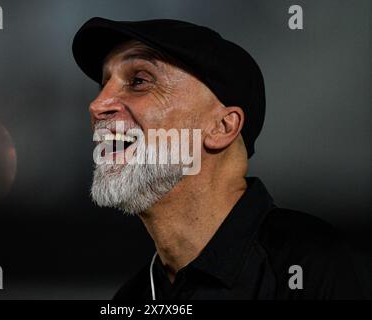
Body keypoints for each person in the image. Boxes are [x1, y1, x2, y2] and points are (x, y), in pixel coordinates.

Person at [72, 17, 367, 299]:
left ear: (222, 127)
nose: (97, 105)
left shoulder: (311, 264)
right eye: (103, 85)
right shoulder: (133, 297)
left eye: (138, 80)